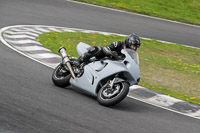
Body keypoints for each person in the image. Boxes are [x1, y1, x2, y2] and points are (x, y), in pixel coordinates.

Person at [73, 33, 141, 66]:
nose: (134, 48)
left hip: (112, 64)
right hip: (103, 58)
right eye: (133, 46)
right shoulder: (118, 44)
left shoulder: (131, 55)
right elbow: (106, 48)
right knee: (98, 49)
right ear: (128, 42)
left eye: (136, 47)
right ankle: (79, 60)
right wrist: (111, 53)